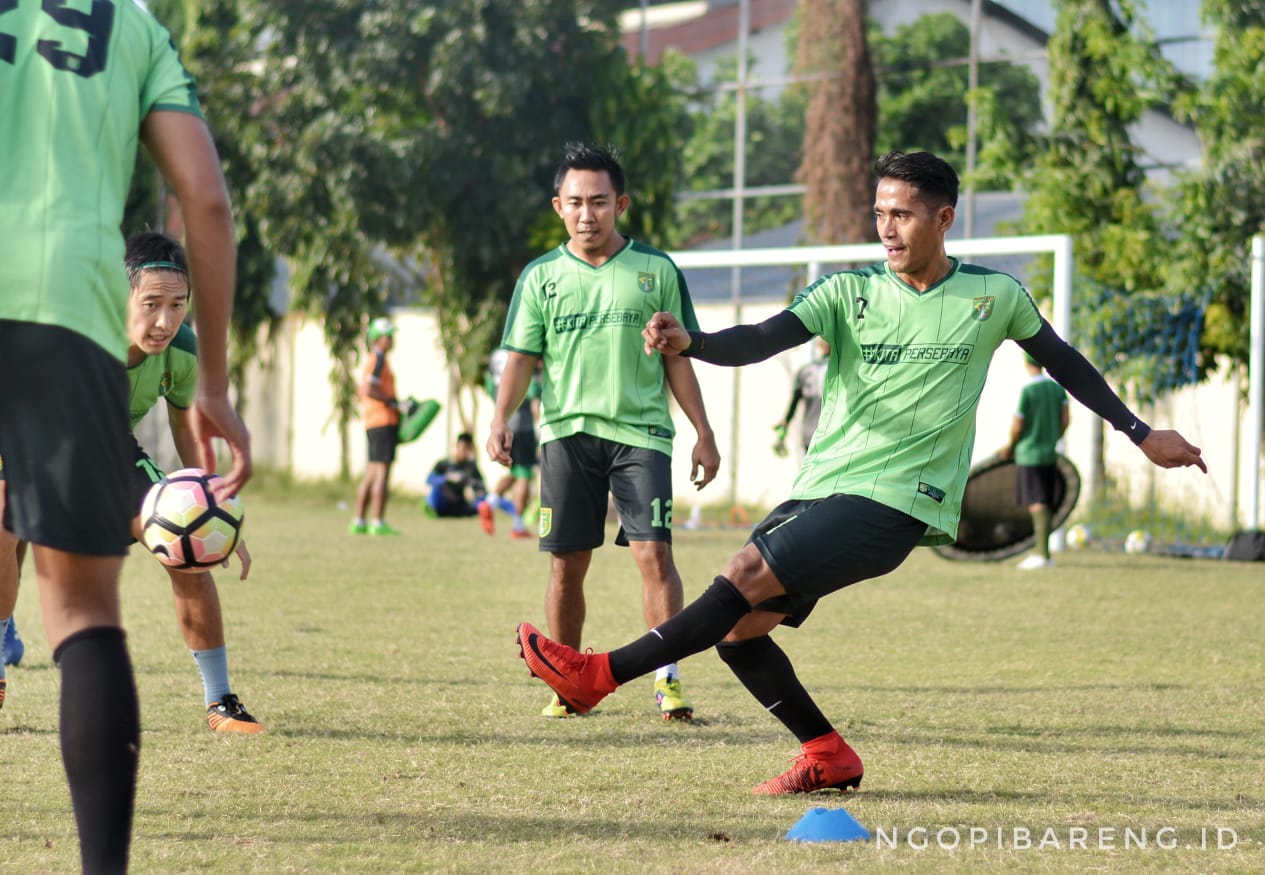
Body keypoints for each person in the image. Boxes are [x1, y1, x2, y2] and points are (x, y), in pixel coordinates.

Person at [514, 150, 1206, 793]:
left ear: (942, 218)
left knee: (742, 574)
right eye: (878, 213)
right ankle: (825, 752)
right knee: (738, 628)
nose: (886, 228)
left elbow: (1065, 362)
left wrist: (1140, 432)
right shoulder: (846, 291)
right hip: (822, 488)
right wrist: (692, 340)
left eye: (901, 213)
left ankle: (597, 675)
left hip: (904, 498)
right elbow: (760, 339)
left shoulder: (994, 295)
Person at [0, 2, 252, 869]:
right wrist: (214, 374)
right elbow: (206, 199)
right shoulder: (131, 26)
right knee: (80, 612)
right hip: (62, 297)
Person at [488, 142, 721, 721]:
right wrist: (498, 418)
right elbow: (520, 357)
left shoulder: (656, 270)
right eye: (575, 203)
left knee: (654, 554)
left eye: (598, 202)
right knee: (566, 564)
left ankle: (667, 679)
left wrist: (703, 431)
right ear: (557, 207)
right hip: (566, 434)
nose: (587, 214)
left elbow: (678, 357)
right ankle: (566, 680)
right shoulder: (540, 277)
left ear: (621, 204)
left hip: (642, 432)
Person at [1000, 355, 1070, 569]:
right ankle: (1044, 552)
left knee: (1036, 501)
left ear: (1026, 363)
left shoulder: (1028, 391)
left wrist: (1010, 446)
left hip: (1029, 454)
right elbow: (1066, 419)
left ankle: (1041, 554)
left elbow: (1018, 425)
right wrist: (1053, 438)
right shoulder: (1058, 390)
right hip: (1049, 452)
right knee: (1045, 502)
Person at [349, 318, 403, 536]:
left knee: (371, 472)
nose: (392, 340)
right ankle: (378, 522)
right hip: (383, 420)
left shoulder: (373, 360)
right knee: (382, 472)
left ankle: (359, 520)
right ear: (378, 339)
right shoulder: (378, 359)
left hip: (372, 421)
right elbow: (370, 389)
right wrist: (394, 402)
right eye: (388, 336)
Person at [484, 349, 541, 539]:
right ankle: (518, 524)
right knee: (525, 474)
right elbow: (533, 400)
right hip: (523, 428)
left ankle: (490, 501)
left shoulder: (493, 380)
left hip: (504, 426)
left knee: (514, 473)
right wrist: (539, 424)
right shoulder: (524, 371)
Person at [773, 337, 831, 458]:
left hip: (813, 434)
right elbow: (794, 402)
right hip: (822, 434)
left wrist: (785, 425)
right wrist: (784, 425)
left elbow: (794, 403)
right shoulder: (841, 370)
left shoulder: (806, 371)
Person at [425, 432, 494, 519]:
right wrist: (446, 478)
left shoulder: (470, 468)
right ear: (457, 446)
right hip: (442, 503)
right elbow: (429, 479)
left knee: (481, 503)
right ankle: (431, 508)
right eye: (463, 448)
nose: (465, 452)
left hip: (458, 505)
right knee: (436, 489)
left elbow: (482, 490)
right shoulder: (444, 464)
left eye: (468, 449)